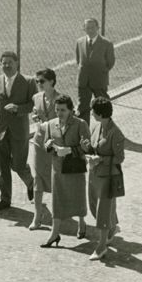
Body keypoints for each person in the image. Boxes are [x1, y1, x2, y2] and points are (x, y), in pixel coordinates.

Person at [35, 94, 90, 248]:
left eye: (63, 110)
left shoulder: (81, 124)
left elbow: (87, 147)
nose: (59, 113)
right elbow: (46, 144)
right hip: (58, 169)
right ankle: (54, 234)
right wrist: (49, 145)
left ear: (71, 110)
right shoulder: (51, 124)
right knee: (57, 201)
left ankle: (81, 222)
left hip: (75, 169)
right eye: (57, 110)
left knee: (78, 197)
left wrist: (69, 150)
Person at [0, 51, 36, 212]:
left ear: (17, 63)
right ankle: (5, 199)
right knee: (2, 167)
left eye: (10, 62)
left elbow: (34, 105)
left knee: (18, 165)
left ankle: (30, 182)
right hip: (0, 131)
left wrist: (18, 109)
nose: (7, 66)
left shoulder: (28, 82)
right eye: (4, 63)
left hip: (19, 131)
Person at [86, 96, 125, 261]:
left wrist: (100, 159)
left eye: (93, 111)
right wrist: (86, 147)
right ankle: (112, 227)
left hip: (108, 177)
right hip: (94, 174)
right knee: (94, 206)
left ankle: (101, 247)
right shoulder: (96, 127)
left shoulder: (116, 133)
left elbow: (119, 158)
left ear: (101, 114)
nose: (91, 113)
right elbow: (94, 147)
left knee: (103, 211)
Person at [30, 68, 59, 231]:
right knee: (37, 179)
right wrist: (35, 117)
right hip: (39, 143)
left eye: (42, 81)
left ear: (52, 82)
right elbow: (36, 113)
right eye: (37, 81)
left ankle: (58, 215)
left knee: (55, 180)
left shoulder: (61, 99)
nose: (39, 84)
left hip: (55, 144)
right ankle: (37, 215)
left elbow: (67, 121)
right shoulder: (36, 97)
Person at [75, 17, 115, 123]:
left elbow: (110, 62)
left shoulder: (107, 43)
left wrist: (100, 71)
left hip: (99, 80)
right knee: (82, 107)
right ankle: (84, 132)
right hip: (84, 81)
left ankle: (105, 128)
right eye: (87, 28)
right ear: (84, 29)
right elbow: (79, 60)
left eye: (93, 27)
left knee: (103, 106)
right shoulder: (79, 42)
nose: (90, 30)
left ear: (98, 28)